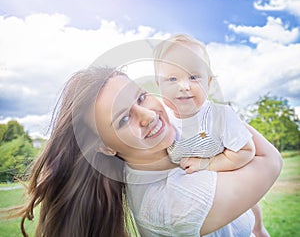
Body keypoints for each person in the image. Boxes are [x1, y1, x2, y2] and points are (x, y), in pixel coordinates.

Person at [16, 65, 282, 236]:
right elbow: (269, 159)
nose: (147, 115)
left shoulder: (174, 154)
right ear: (106, 146)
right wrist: (208, 109)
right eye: (123, 119)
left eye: (141, 97)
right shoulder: (174, 202)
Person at [153, 34, 269, 236]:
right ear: (158, 84)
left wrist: (206, 164)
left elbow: (246, 150)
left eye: (193, 77)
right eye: (172, 79)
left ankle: (259, 229)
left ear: (209, 81)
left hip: (229, 200)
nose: (184, 86)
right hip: (194, 207)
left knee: (250, 207)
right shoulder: (160, 121)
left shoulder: (220, 116)